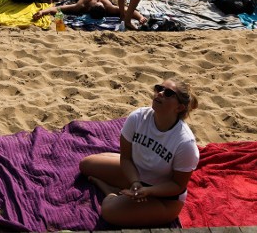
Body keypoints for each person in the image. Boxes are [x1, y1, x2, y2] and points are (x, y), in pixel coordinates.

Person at [79, 78, 198, 227]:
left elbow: (177, 185)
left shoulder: (185, 143)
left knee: (109, 211)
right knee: (85, 165)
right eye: (158, 88)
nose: (159, 93)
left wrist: (148, 191)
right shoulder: (138, 117)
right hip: (136, 175)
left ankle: (110, 191)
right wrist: (135, 182)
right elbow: (126, 158)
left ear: (179, 107)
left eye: (168, 93)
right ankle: (125, 189)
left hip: (164, 198)